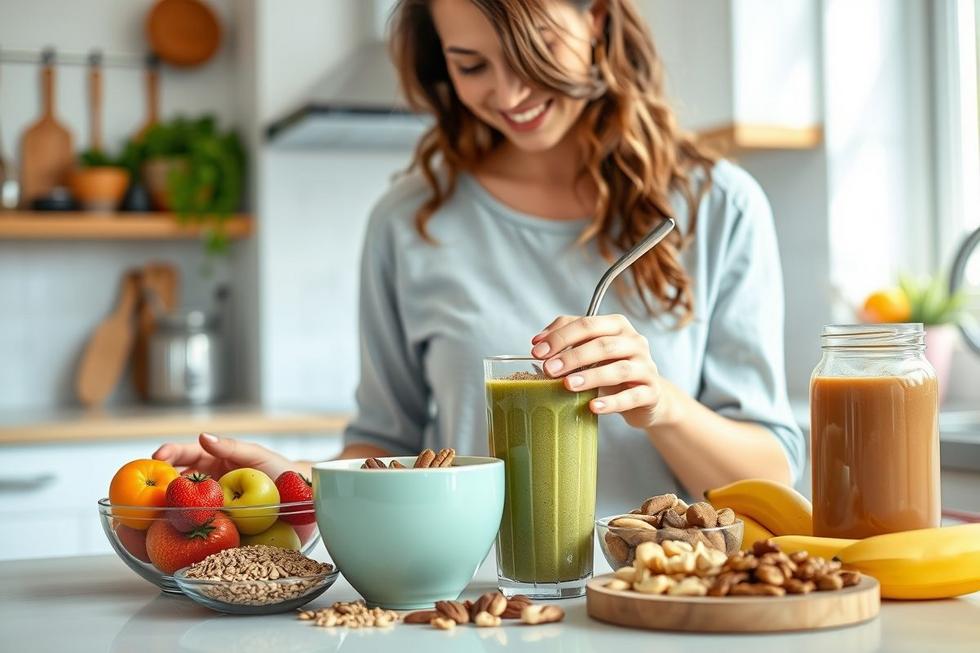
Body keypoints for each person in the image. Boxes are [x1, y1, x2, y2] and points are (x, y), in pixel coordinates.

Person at [153, 0, 804, 515]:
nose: (511, 92)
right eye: (471, 65)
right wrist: (300, 485)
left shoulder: (717, 206)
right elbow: (388, 446)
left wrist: (660, 403)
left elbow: (771, 474)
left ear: (598, 18)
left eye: (539, 49)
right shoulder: (408, 223)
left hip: (660, 602)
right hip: (471, 606)